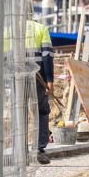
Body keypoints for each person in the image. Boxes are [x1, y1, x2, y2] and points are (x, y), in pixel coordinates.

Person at [29, 16, 54, 164]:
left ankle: (19, 150)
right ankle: (39, 150)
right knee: (42, 111)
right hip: (37, 77)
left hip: (14, 77)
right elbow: (47, 56)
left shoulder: (9, 30)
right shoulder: (40, 29)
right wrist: (49, 80)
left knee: (20, 112)